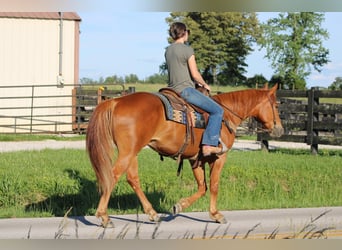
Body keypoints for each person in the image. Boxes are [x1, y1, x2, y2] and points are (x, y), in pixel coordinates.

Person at [165, 22, 227, 156]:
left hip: (171, 90)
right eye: (187, 32)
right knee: (217, 110)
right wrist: (205, 84)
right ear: (184, 33)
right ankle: (208, 145)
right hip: (185, 91)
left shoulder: (168, 50)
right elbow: (195, 74)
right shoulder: (187, 50)